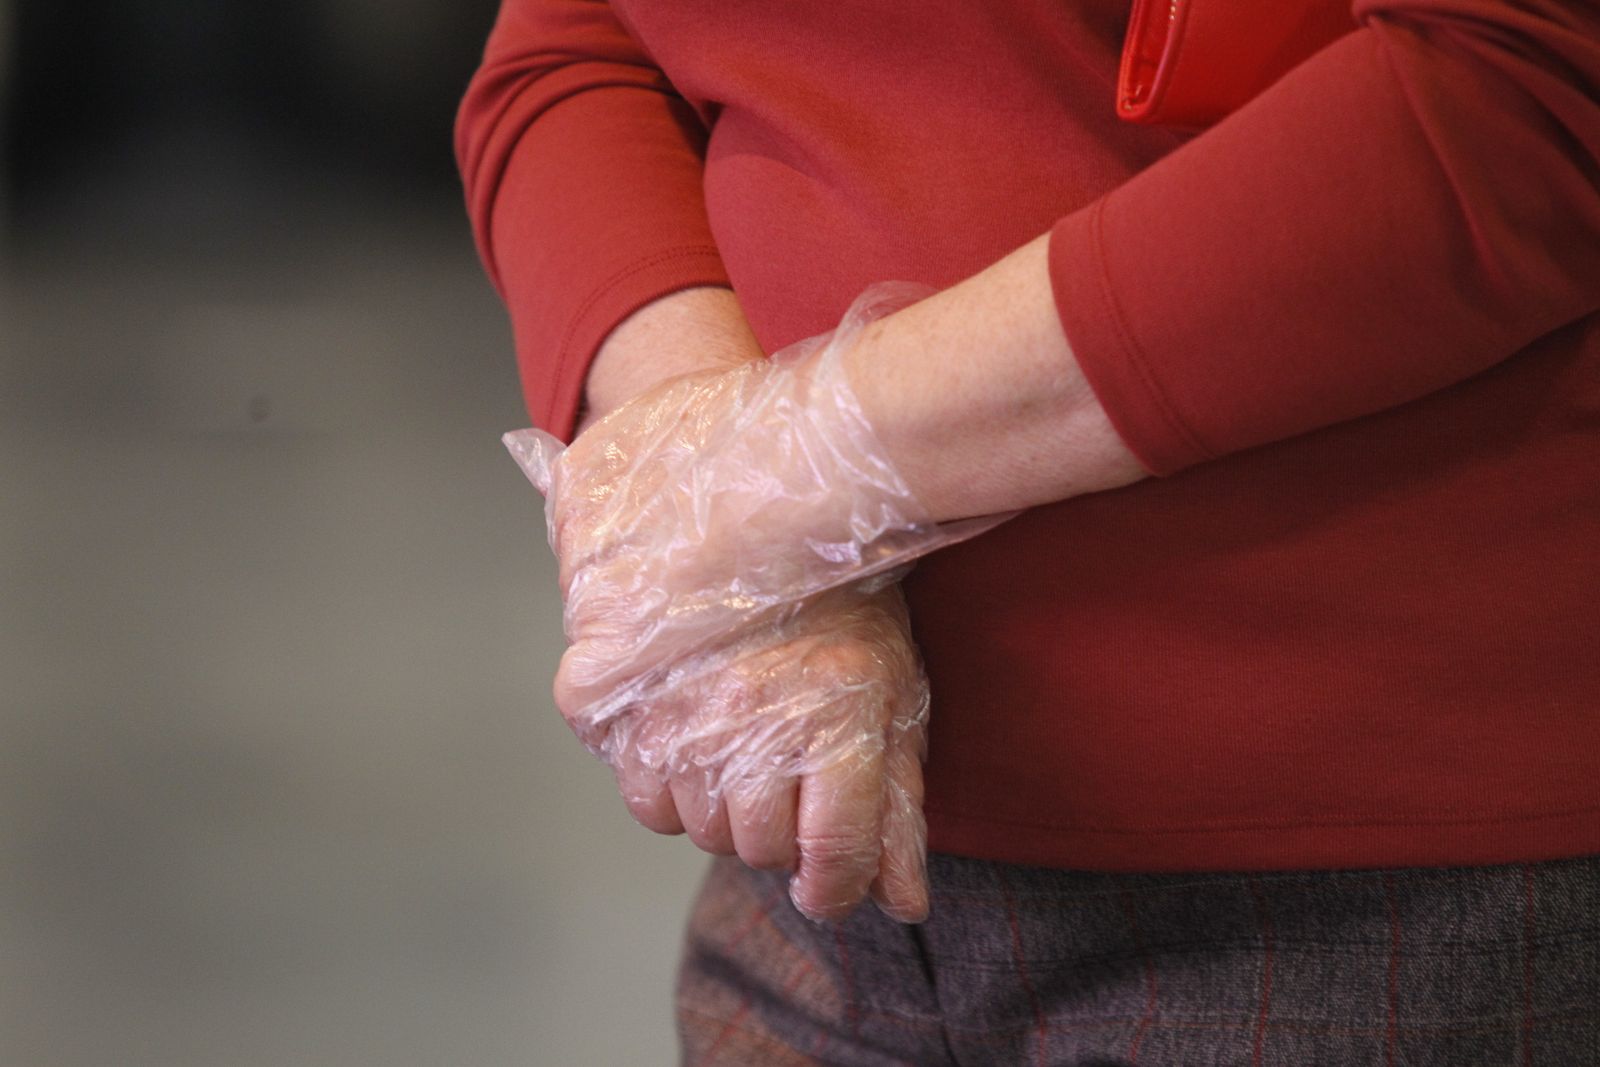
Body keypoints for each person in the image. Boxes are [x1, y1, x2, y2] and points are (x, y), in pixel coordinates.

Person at [457, 0, 1600, 1062]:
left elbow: (1525, 84)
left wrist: (793, 473)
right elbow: (580, 43)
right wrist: (727, 498)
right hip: (805, 819)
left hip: (1364, 883)